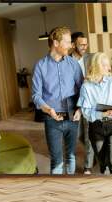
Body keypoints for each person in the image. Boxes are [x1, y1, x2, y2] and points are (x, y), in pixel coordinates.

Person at [32, 27, 83, 175]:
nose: (70, 45)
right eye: (67, 42)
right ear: (55, 43)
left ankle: (71, 189)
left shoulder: (73, 64)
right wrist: (48, 110)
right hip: (52, 118)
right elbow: (36, 95)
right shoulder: (40, 66)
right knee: (56, 159)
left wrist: (79, 109)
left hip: (73, 117)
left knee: (71, 156)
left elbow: (82, 90)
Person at [77, 52, 112, 174]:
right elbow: (86, 112)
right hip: (96, 128)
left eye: (108, 65)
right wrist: (102, 114)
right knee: (104, 166)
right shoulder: (86, 87)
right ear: (96, 66)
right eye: (105, 65)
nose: (109, 68)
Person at [70, 31, 94, 174]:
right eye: (81, 44)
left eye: (86, 44)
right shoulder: (66, 61)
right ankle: (94, 153)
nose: (85, 47)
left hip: (89, 101)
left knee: (89, 134)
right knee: (79, 135)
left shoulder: (91, 58)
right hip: (74, 102)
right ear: (73, 45)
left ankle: (88, 165)